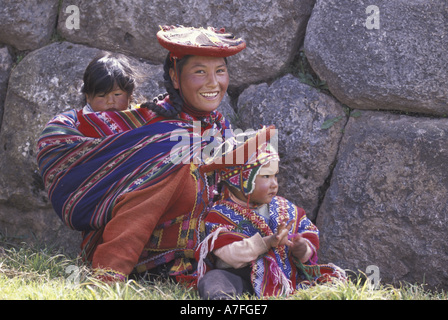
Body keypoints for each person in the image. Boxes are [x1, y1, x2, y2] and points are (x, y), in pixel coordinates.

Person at [36, 25, 251, 282]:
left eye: (220, 71)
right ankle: (111, 270)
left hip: (203, 254)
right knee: (176, 160)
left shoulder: (218, 127)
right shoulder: (152, 126)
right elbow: (62, 138)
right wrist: (109, 274)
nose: (213, 82)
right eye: (200, 72)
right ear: (174, 77)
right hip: (143, 260)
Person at [195, 143, 346, 298]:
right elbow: (229, 255)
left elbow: (309, 233)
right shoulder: (220, 214)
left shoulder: (286, 208)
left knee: (331, 280)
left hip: (286, 277)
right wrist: (268, 242)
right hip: (242, 277)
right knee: (213, 280)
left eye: (275, 175)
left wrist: (302, 249)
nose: (274, 184)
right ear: (240, 180)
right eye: (266, 176)